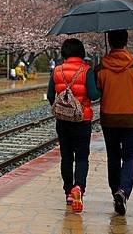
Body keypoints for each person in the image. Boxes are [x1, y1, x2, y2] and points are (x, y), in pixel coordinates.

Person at [95, 30, 133, 216]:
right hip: (130, 118)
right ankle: (123, 191)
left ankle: (115, 191)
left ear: (109, 42)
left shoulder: (101, 67)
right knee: (129, 157)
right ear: (126, 42)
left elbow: (97, 92)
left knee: (113, 155)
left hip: (108, 118)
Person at [47, 38, 100, 213]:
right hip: (82, 120)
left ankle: (68, 191)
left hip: (63, 121)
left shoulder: (57, 70)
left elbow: (50, 96)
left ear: (64, 53)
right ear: (81, 52)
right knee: (82, 157)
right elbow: (93, 95)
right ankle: (79, 188)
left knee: (66, 157)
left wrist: (63, 106)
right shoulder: (87, 71)